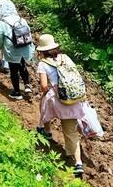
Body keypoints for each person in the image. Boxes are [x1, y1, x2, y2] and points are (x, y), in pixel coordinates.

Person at [36, 34, 85, 177]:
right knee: (71, 133)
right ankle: (78, 163)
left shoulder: (43, 64)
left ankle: (48, 132)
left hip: (56, 99)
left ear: (42, 51)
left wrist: (49, 91)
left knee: (44, 105)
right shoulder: (66, 58)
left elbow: (44, 86)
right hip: (72, 98)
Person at [0, 0, 34, 100]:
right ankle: (27, 85)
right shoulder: (22, 20)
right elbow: (28, 32)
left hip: (12, 48)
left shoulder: (2, 22)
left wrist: (1, 46)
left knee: (13, 69)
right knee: (22, 65)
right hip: (24, 46)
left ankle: (17, 92)